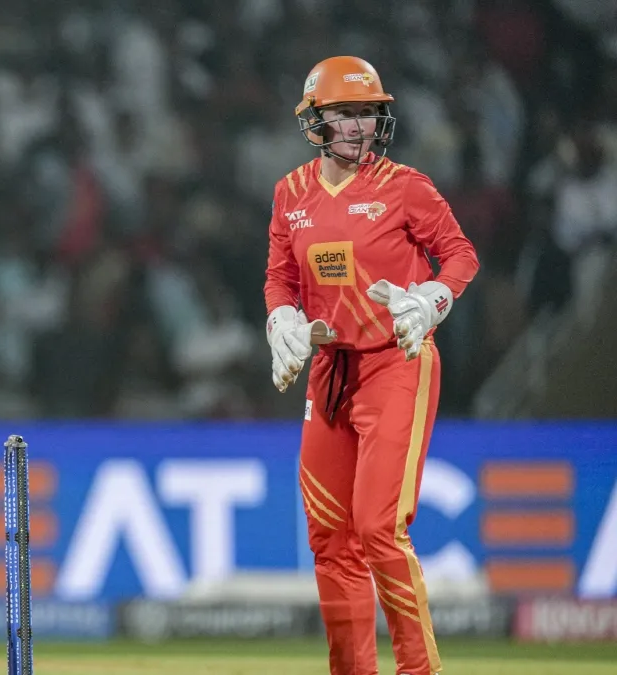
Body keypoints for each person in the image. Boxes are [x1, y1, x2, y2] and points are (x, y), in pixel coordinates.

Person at [263, 57, 480, 675]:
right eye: (345, 113)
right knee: (330, 536)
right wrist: (281, 321)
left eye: (367, 112)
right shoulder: (290, 193)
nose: (359, 125)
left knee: (379, 526)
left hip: (397, 361)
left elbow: (460, 255)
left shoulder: (406, 186)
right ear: (315, 120)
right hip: (330, 372)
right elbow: (280, 278)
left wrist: (433, 299)